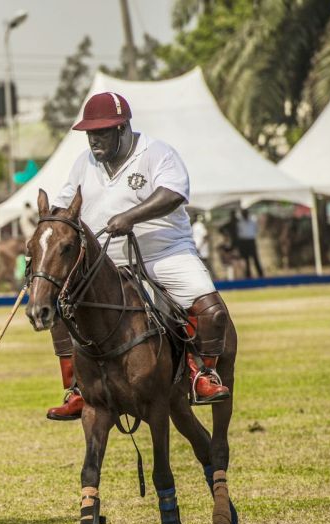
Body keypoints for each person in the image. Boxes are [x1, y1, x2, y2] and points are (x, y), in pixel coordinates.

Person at [45, 91, 232, 421]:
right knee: (61, 307)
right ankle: (75, 388)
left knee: (213, 312)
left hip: (165, 252)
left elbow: (173, 193)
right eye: (90, 133)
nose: (94, 140)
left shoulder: (157, 153)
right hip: (106, 262)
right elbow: (63, 208)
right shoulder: (83, 164)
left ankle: (202, 373)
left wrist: (132, 216)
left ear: (123, 128)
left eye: (102, 132)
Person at [234, 208, 264, 278]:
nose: (245, 214)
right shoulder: (239, 222)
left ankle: (261, 274)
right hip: (243, 242)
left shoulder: (252, 221)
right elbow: (238, 232)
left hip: (251, 241)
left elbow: (256, 229)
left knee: (255, 258)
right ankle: (248, 276)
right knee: (246, 259)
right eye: (243, 213)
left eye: (246, 213)